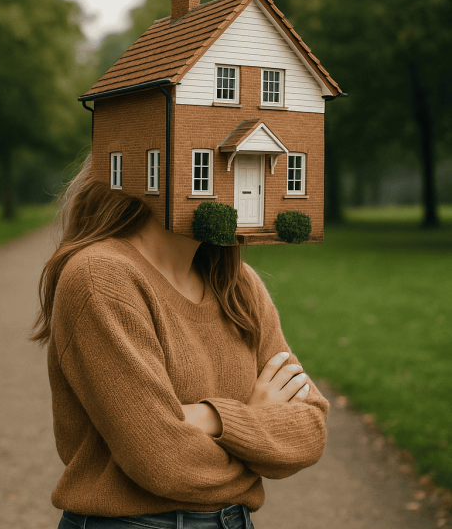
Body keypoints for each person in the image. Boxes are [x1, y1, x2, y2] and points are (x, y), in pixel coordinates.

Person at [32, 156, 328, 529]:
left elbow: (310, 431)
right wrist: (256, 428)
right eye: (219, 163)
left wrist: (207, 418)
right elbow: (161, 462)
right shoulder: (100, 277)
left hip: (235, 521)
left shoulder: (239, 284)